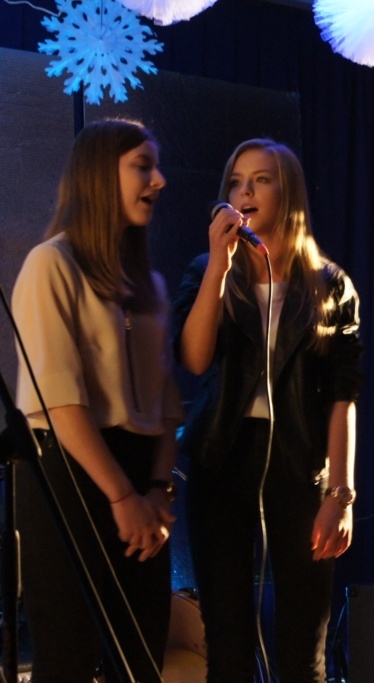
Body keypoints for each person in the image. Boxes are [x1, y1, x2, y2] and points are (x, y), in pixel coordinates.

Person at [173, 138, 362, 681]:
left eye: (260, 179)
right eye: (236, 182)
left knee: (304, 649)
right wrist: (218, 266)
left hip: (299, 465)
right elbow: (194, 358)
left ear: (288, 191)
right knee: (227, 643)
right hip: (222, 460)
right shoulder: (207, 271)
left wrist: (340, 494)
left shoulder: (330, 284)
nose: (245, 191)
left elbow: (342, 397)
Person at [11, 118, 181, 682]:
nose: (158, 180)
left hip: (140, 480)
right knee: (68, 656)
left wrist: (156, 491)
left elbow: (166, 408)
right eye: (142, 166)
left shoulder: (150, 285)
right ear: (98, 176)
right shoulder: (51, 263)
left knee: (141, 658)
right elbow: (60, 403)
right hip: (71, 475)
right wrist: (123, 497)